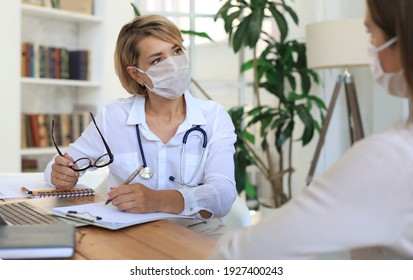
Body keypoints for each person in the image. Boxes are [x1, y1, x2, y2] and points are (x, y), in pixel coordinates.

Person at [211, 0, 413, 259]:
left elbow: (240, 256)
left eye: (372, 35)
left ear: (403, 39)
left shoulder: (390, 158)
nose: (370, 49)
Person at [44, 14, 237, 238]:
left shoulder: (214, 116)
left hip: (198, 232)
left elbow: (223, 195)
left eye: (176, 51)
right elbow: (58, 168)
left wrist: (158, 200)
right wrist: (61, 175)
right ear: (136, 74)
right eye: (157, 60)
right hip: (129, 232)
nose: (173, 64)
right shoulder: (115, 116)